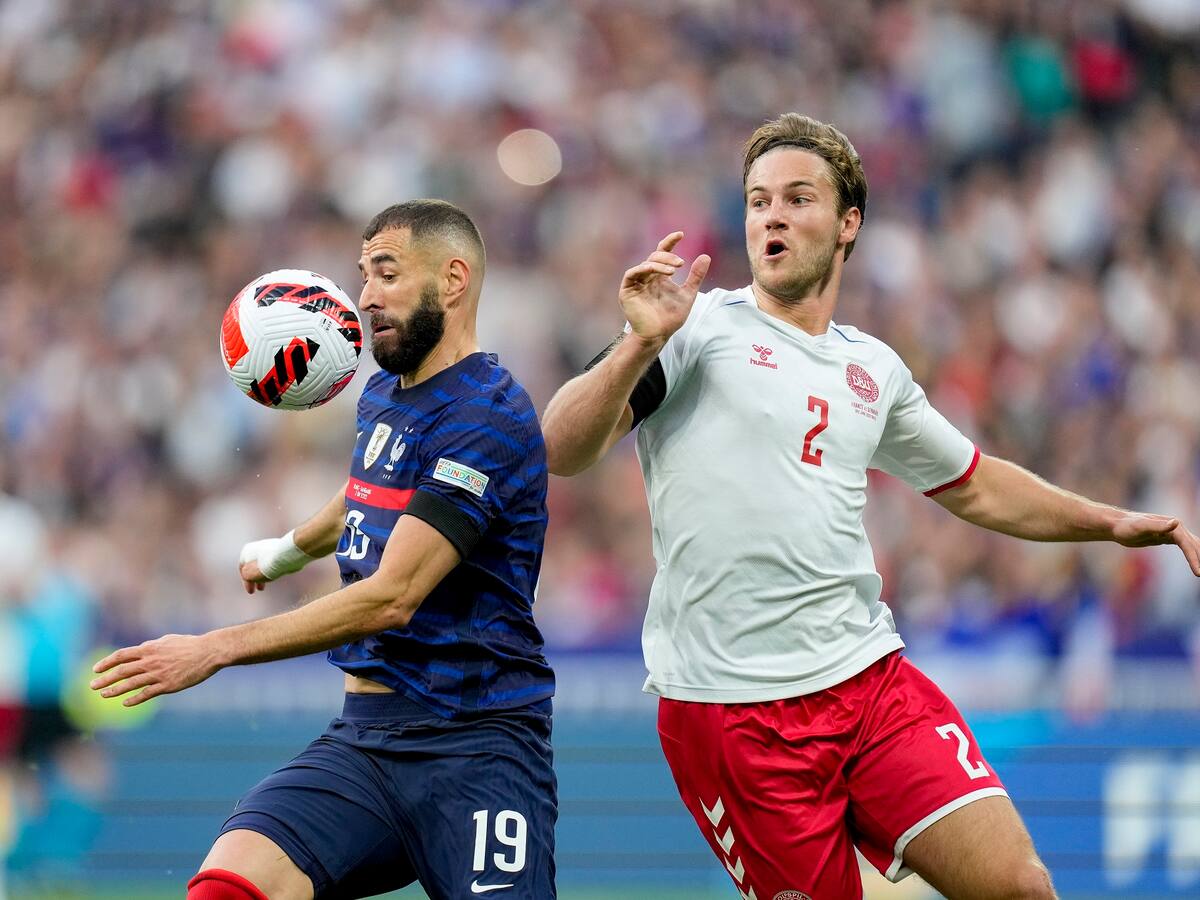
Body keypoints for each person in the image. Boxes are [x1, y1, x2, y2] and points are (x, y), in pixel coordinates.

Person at [540, 114, 1200, 900]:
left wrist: (1111, 522)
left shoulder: (871, 369)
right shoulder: (694, 328)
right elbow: (563, 447)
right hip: (733, 717)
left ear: (848, 223)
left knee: (1022, 886)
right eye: (757, 201)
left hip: (867, 682)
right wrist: (635, 345)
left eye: (796, 198)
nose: (771, 216)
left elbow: (978, 483)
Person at [91, 200, 557, 900]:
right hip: (365, 745)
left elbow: (392, 596)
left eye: (388, 273)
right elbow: (367, 491)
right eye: (364, 274)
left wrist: (213, 648)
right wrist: (285, 551)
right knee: (228, 886)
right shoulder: (384, 394)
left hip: (478, 747)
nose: (365, 296)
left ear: (453, 280)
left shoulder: (486, 416)